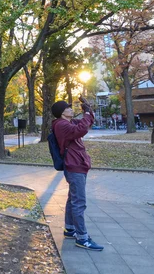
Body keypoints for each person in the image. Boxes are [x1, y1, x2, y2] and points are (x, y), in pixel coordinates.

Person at [51, 97, 104, 251]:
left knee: (72, 199)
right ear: (62, 113)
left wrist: (88, 111)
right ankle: (82, 238)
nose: (70, 109)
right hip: (74, 166)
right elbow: (81, 130)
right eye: (67, 108)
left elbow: (86, 124)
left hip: (77, 164)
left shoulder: (67, 123)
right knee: (79, 202)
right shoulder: (61, 125)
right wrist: (86, 113)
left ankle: (70, 229)